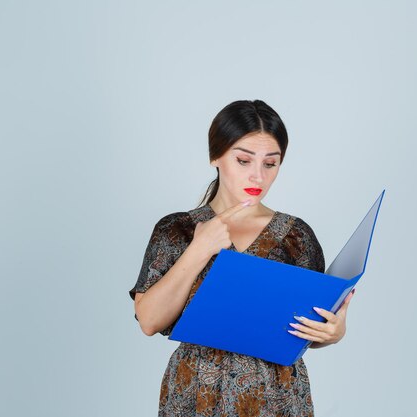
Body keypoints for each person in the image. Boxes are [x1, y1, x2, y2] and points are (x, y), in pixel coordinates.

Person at [130, 99, 354, 416]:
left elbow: (307, 327)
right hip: (197, 394)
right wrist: (199, 249)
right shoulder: (176, 229)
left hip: (276, 395)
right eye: (243, 161)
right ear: (216, 157)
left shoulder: (296, 236)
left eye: (270, 163)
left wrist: (333, 333)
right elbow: (149, 321)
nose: (257, 176)